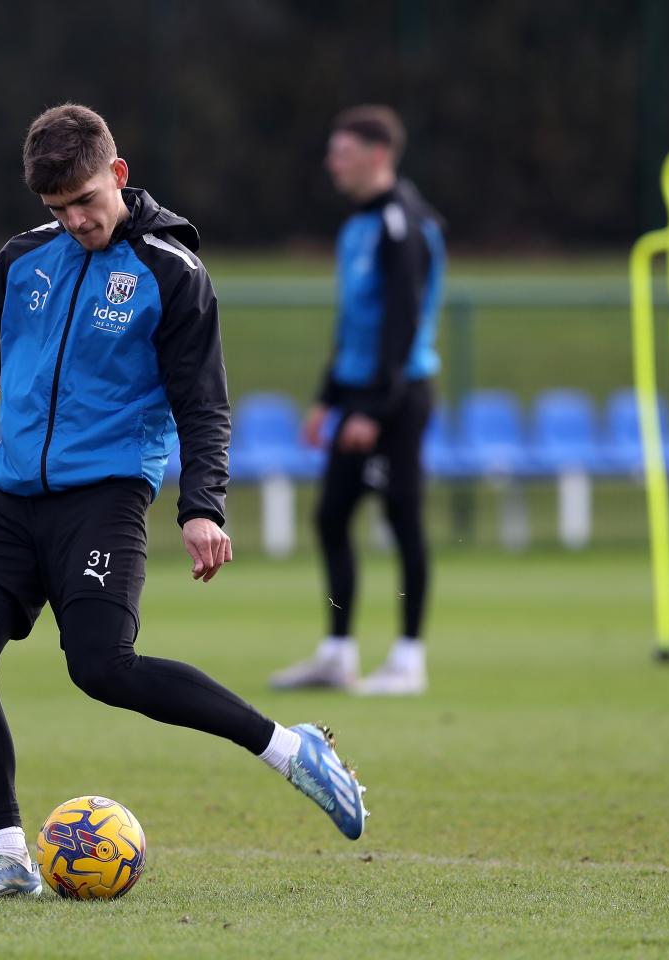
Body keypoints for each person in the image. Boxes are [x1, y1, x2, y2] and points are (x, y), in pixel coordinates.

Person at [0, 104, 367, 899]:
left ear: (117, 175)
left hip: (106, 499)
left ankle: (293, 752)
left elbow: (203, 404)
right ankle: (12, 857)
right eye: (58, 210)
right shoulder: (21, 264)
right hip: (13, 500)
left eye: (86, 200)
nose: (77, 220)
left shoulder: (171, 274)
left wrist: (202, 505)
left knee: (102, 667)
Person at [269, 105, 446, 697]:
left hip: (398, 399)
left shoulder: (406, 224)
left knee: (401, 518)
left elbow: (402, 326)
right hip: (358, 396)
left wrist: (373, 408)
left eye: (342, 152)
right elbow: (356, 326)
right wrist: (328, 398)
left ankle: (408, 658)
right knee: (331, 517)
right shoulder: (357, 228)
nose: (331, 163)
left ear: (377, 155)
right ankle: (339, 653)